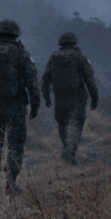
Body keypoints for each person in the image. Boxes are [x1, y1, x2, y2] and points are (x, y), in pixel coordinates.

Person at [0, 19, 40, 194]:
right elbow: (32, 81)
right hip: (16, 106)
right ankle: (11, 183)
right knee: (16, 145)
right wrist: (35, 103)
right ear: (16, 35)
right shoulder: (21, 53)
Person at [41, 31, 99, 166]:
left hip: (59, 97)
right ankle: (70, 151)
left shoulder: (54, 57)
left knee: (62, 124)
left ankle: (67, 147)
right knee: (76, 125)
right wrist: (94, 97)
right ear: (74, 43)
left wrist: (46, 96)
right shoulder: (80, 57)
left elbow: (46, 78)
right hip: (77, 98)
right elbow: (90, 79)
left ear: (60, 43)